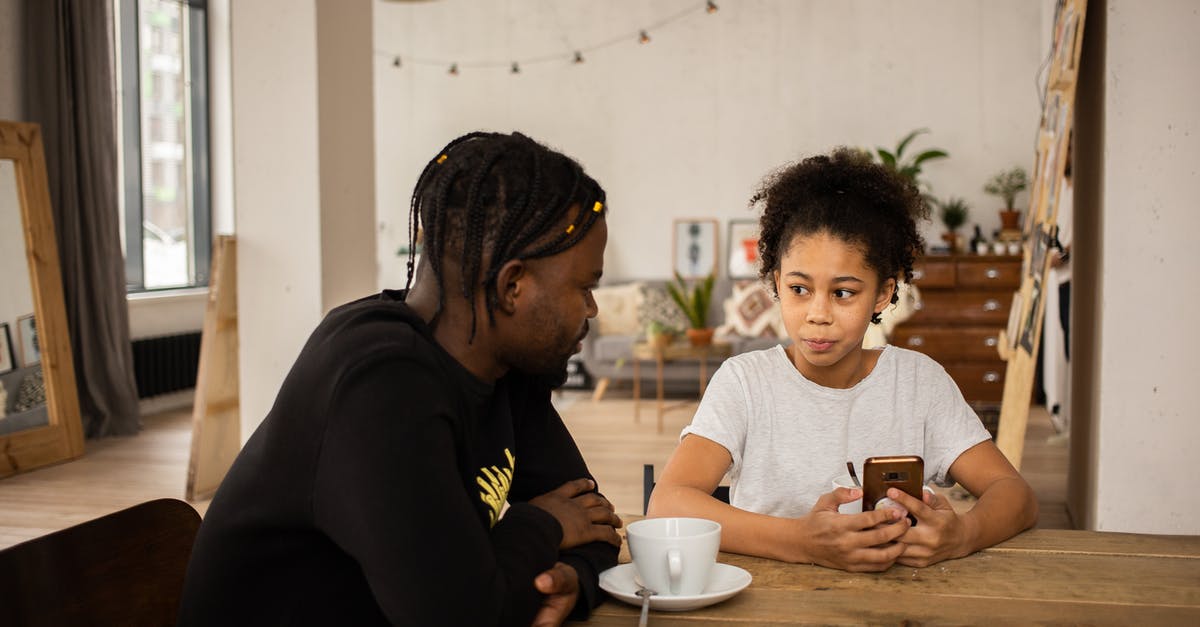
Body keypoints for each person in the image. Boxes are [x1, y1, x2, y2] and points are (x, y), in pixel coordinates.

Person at [179, 132, 622, 626]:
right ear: (512, 286)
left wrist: (574, 581)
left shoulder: (507, 364)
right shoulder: (378, 383)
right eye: (584, 286)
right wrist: (544, 526)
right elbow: (466, 617)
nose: (592, 308)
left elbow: (594, 519)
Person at [647, 149, 1038, 572]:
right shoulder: (744, 383)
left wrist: (964, 534)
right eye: (799, 289)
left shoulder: (918, 383)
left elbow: (1014, 493)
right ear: (778, 282)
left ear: (884, 294)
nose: (818, 313)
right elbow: (667, 503)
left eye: (843, 293)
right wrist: (802, 541)